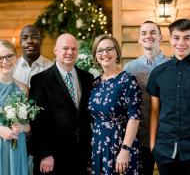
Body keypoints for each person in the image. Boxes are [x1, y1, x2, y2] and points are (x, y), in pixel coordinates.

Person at [29, 33, 94, 175]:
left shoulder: (87, 78)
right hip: (52, 157)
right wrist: (44, 153)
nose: (70, 52)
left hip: (81, 155)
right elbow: (36, 120)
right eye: (65, 48)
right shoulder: (40, 80)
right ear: (55, 50)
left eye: (74, 49)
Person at [147, 18, 190, 175]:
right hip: (165, 151)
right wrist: (153, 146)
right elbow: (155, 111)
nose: (181, 43)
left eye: (187, 37)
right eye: (176, 37)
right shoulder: (158, 73)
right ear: (170, 39)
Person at [88, 34, 141, 174]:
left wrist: (125, 150)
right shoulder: (96, 83)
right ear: (96, 55)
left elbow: (134, 118)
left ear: (117, 52)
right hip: (98, 144)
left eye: (109, 49)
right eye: (100, 50)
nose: (104, 54)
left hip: (120, 142)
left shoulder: (127, 80)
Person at [124, 21, 170, 175]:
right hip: (140, 137)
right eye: (143, 33)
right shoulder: (130, 68)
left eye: (152, 32)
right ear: (139, 39)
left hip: (167, 136)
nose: (148, 36)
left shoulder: (172, 65)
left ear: (161, 37)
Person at [0, 40, 30, 175]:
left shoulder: (23, 89)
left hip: (17, 145)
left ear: (16, 58)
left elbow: (29, 125)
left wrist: (22, 127)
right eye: (0, 58)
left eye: (9, 56)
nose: (4, 61)